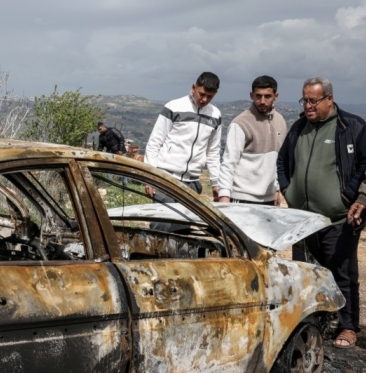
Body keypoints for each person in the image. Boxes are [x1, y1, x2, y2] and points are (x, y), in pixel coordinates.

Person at [277, 77, 366, 349]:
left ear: (329, 98)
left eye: (313, 100)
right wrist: (288, 190)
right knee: (305, 273)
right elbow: (282, 161)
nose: (308, 106)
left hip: (339, 217)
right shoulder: (298, 128)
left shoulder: (352, 127)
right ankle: (312, 323)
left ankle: (348, 326)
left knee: (341, 272)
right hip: (303, 221)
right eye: (304, 100)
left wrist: (352, 196)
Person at [144, 72, 223, 201]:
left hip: (192, 183)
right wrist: (151, 177)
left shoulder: (215, 115)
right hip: (166, 177)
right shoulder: (174, 107)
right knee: (162, 221)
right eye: (201, 94)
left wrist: (216, 182)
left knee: (183, 221)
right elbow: (154, 142)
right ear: (193, 87)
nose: (204, 99)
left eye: (210, 96)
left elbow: (213, 151)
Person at [218, 76, 286, 205]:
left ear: (276, 96)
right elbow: (229, 161)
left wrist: (276, 189)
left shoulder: (280, 121)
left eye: (267, 96)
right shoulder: (240, 123)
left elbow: (279, 160)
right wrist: (224, 196)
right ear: (251, 95)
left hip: (269, 198)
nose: (262, 101)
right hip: (242, 197)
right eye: (258, 96)